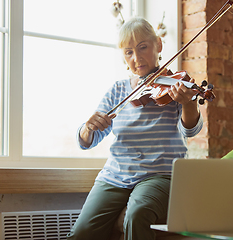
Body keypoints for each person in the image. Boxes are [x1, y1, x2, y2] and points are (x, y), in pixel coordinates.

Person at [67, 17, 203, 240]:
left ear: (158, 45)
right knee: (82, 232)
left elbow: (190, 130)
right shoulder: (119, 90)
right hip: (115, 176)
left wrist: (189, 102)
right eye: (129, 52)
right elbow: (88, 140)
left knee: (138, 213)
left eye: (143, 48)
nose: (137, 58)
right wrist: (88, 128)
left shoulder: (176, 86)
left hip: (159, 175)